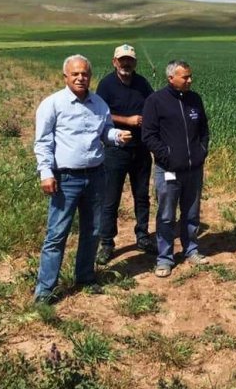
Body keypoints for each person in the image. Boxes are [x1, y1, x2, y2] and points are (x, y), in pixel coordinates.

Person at [33, 55, 131, 303]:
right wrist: (46, 172)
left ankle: (85, 277)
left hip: (96, 176)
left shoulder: (99, 104)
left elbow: (105, 131)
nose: (80, 78)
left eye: (84, 74)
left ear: (90, 76)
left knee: (93, 230)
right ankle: (45, 289)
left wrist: (117, 135)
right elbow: (43, 142)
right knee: (57, 233)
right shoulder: (53, 104)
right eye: (75, 74)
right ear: (65, 76)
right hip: (66, 178)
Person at [142, 60, 209, 278]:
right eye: (185, 77)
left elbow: (204, 130)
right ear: (171, 78)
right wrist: (167, 157)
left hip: (193, 169)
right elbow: (149, 135)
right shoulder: (156, 101)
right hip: (168, 170)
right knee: (167, 215)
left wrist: (201, 151)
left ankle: (191, 250)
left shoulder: (195, 99)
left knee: (191, 213)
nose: (190, 80)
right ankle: (164, 258)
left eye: (190, 76)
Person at [95, 44, 156, 265]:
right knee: (111, 197)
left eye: (129, 60)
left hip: (140, 149)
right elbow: (100, 114)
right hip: (115, 149)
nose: (126, 64)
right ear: (114, 62)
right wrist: (127, 121)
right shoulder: (106, 85)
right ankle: (107, 243)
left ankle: (142, 236)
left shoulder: (142, 84)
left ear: (135, 63)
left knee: (142, 196)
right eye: (122, 60)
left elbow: (152, 105)